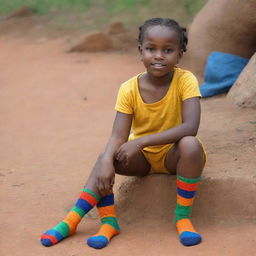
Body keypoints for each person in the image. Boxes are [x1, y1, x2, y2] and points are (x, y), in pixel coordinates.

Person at [40, 17, 206, 249]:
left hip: (173, 155)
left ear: (180, 53)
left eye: (168, 50)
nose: (159, 55)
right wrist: (108, 159)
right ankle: (89, 221)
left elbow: (191, 127)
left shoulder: (185, 80)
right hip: (142, 160)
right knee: (105, 158)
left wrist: (140, 142)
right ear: (140, 51)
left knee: (191, 144)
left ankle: (182, 218)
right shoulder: (128, 88)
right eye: (151, 49)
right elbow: (118, 136)